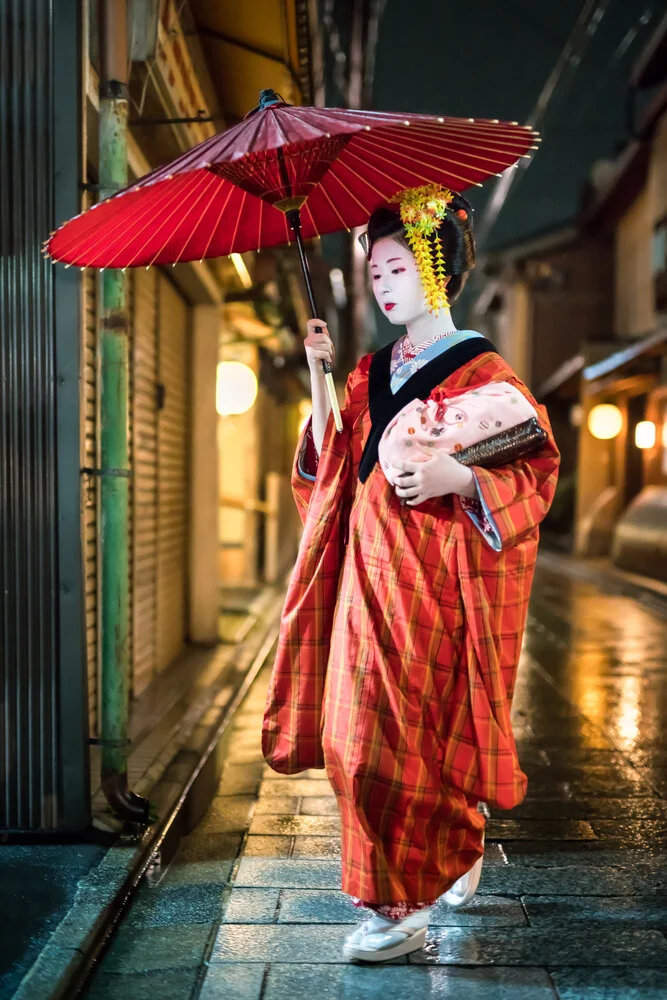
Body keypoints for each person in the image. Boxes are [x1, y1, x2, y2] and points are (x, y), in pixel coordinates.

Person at [262, 183, 560, 963]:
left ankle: (417, 883)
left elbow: (533, 468)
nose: (383, 284)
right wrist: (320, 375)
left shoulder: (480, 369)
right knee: (359, 738)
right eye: (376, 273)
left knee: (424, 731)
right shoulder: (366, 371)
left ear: (437, 269)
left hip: (438, 576)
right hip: (367, 573)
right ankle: (395, 898)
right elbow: (333, 463)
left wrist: (460, 484)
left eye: (396, 268)